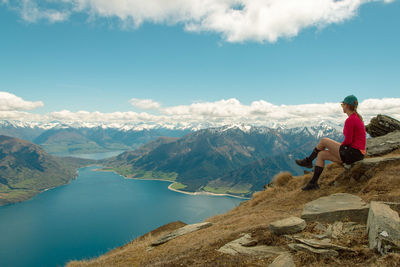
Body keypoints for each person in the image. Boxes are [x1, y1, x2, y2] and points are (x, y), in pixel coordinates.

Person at [295, 95, 366, 190]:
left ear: (347, 105)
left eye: (342, 105)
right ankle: (313, 183)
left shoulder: (351, 120)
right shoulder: (356, 118)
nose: (342, 107)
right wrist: (339, 147)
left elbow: (348, 141)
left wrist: (339, 147)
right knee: (321, 155)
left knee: (324, 140)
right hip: (356, 154)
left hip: (353, 153)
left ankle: (308, 161)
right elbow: (351, 141)